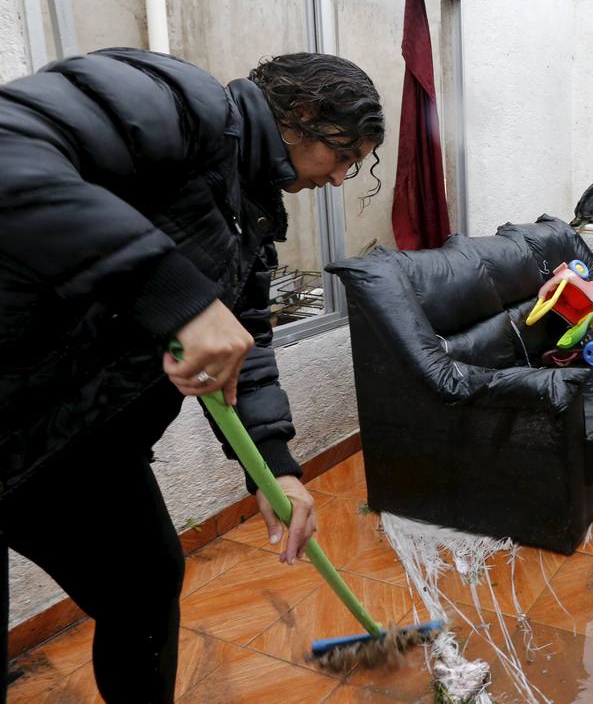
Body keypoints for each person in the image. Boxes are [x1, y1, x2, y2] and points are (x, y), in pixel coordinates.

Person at [0, 48, 384, 701]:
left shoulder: (251, 216)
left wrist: (276, 465)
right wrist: (175, 293)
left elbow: (246, 342)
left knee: (145, 589)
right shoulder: (182, 104)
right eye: (345, 155)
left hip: (80, 446)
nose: (343, 178)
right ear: (302, 115)